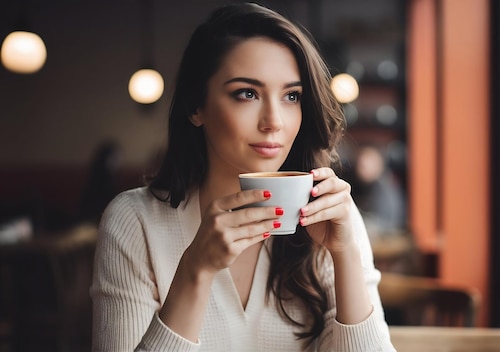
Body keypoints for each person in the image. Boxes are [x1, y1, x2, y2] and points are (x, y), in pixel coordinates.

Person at [90, 3, 396, 351]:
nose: (274, 121)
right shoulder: (134, 222)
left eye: (291, 96)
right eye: (247, 93)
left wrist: (345, 254)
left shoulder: (330, 212)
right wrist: (195, 271)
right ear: (196, 107)